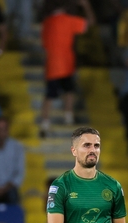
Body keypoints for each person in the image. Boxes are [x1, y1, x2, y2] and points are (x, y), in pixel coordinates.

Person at [40, 0, 94, 136]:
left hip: (52, 64)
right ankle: (68, 116)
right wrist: (86, 6)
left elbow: (44, 44)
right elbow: (90, 23)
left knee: (50, 94)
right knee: (69, 90)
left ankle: (45, 121)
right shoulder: (69, 20)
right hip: (66, 63)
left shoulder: (46, 22)